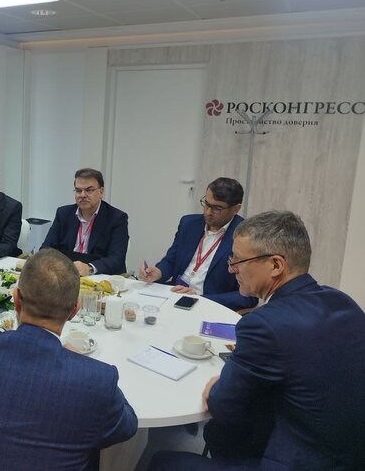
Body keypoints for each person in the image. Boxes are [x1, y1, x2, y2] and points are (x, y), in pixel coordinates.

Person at [150, 211, 365, 471]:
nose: (231, 268)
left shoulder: (263, 324)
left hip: (299, 459)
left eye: (238, 260)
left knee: (162, 461)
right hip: (350, 453)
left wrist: (220, 383)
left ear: (276, 265)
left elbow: (221, 405)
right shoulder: (342, 301)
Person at [0, 249, 137, 471]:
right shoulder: (96, 380)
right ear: (74, 310)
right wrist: (83, 367)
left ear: (16, 300)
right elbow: (127, 426)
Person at [138, 177, 257, 310]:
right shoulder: (188, 224)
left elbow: (250, 296)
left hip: (208, 305)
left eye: (217, 208)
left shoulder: (246, 236)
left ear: (235, 209)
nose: (208, 212)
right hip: (175, 294)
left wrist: (201, 299)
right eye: (206, 204)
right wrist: (158, 272)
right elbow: (171, 261)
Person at [42, 168, 128, 275]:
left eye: (89, 190)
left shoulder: (117, 218)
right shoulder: (63, 213)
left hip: (99, 276)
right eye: (78, 190)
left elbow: (117, 259)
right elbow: (46, 248)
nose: (82, 195)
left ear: (101, 192)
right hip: (66, 274)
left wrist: (90, 268)